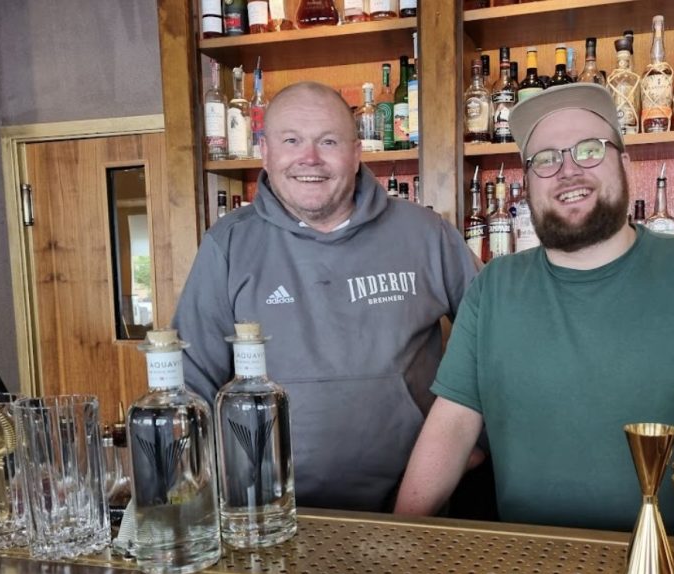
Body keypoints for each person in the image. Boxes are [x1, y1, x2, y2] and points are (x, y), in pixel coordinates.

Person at [395, 83, 674, 539]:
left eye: (589, 150)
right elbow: (451, 429)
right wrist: (398, 540)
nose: (567, 170)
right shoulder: (493, 289)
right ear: (528, 183)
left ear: (624, 162)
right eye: (546, 158)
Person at [173, 81, 478, 511]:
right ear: (266, 152)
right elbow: (190, 385)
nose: (309, 159)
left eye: (328, 141)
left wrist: (478, 446)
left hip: (414, 510)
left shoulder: (428, 235)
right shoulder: (228, 245)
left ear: (356, 153)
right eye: (291, 140)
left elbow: (498, 342)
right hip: (268, 516)